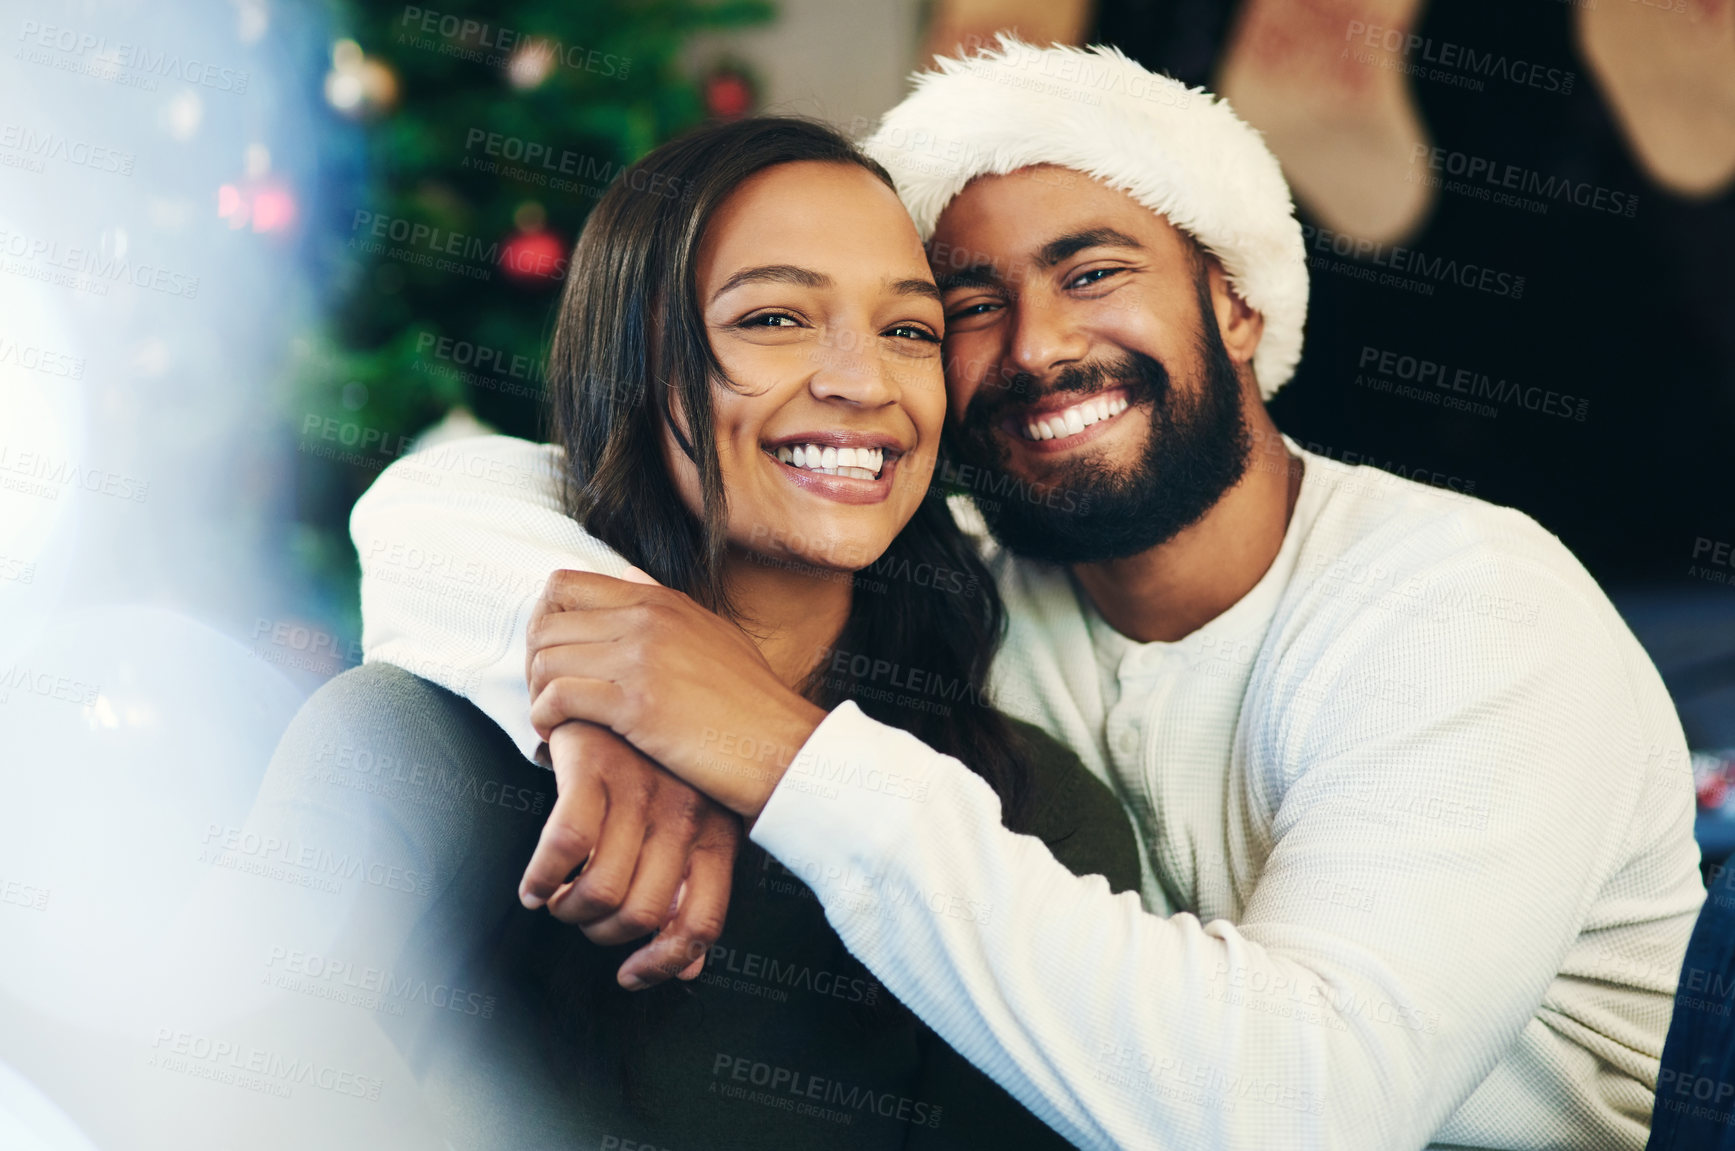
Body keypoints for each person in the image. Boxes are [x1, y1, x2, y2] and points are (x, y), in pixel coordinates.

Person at [353, 39, 1706, 1150]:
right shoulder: (970, 577)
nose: (1041, 346)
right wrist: (601, 704)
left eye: (1093, 271)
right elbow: (442, 502)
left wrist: (764, 743)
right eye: (966, 306)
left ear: (1234, 305)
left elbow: (1299, 1110)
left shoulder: (1458, 608)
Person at [275, 113, 1144, 1149]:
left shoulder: (1032, 818)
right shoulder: (404, 744)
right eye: (774, 319)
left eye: (908, 331)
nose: (862, 382)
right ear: (632, 363)